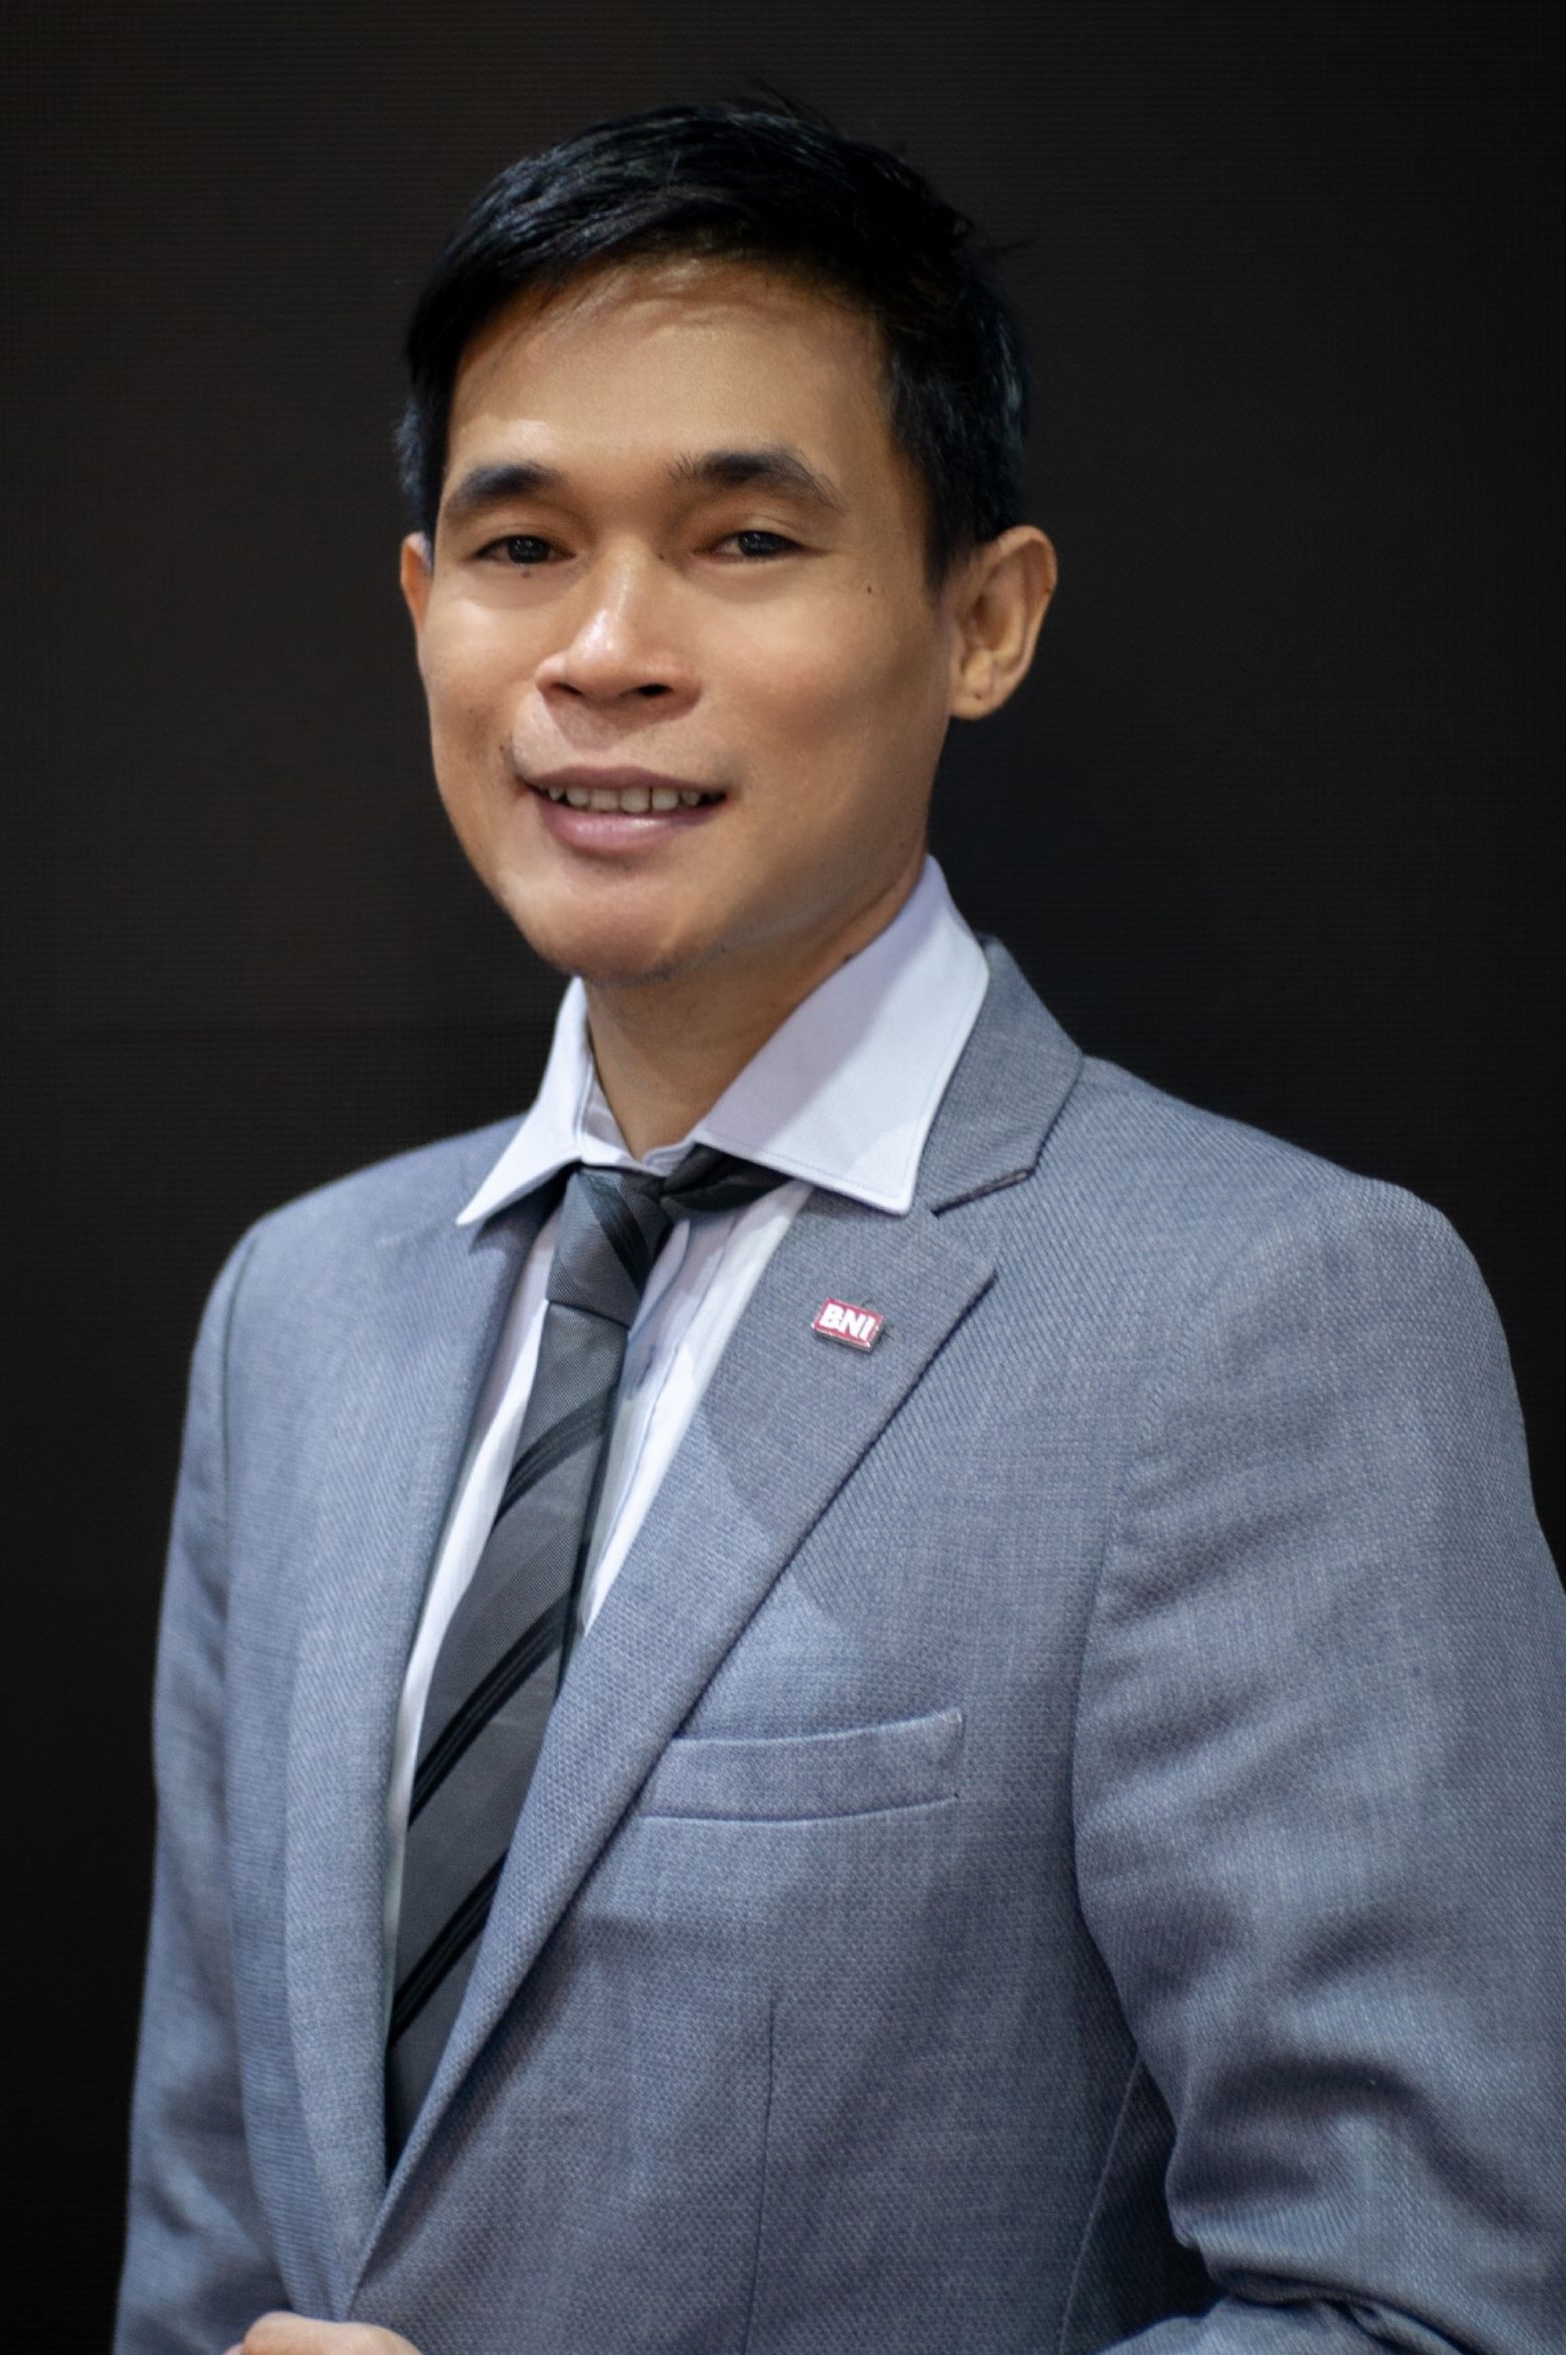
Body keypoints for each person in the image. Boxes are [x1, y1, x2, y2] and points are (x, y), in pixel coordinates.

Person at [114, 100, 1566, 2355]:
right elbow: (215, 2238)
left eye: (744, 539)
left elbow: (1418, 2310)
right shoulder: (298, 1310)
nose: (604, 648)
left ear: (983, 618)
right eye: (521, 545)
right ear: (421, 609)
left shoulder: (1262, 1317)